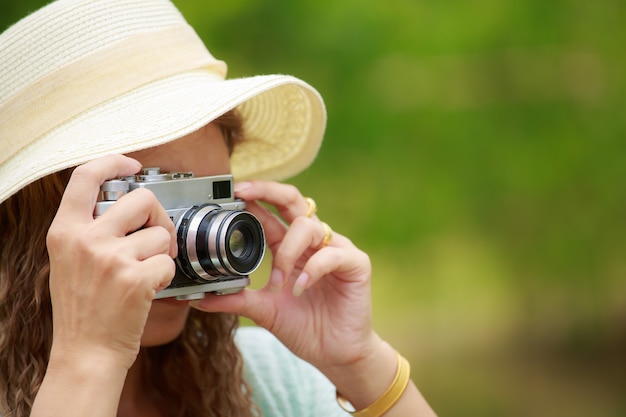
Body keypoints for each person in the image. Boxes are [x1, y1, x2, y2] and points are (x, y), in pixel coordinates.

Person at [0, 0, 437, 416]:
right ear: (30, 219)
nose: (198, 236)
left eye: (209, 197)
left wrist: (359, 364)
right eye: (152, 202)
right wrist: (88, 361)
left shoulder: (269, 379)